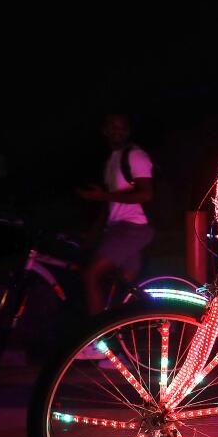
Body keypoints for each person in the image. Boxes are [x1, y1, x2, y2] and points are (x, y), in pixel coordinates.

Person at [78, 114, 154, 315]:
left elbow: (145, 194)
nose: (116, 131)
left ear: (128, 131)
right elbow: (110, 201)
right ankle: (145, 319)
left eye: (121, 128)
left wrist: (102, 195)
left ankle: (96, 337)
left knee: (91, 275)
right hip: (119, 226)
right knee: (121, 287)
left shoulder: (135, 156)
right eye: (112, 127)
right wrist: (94, 230)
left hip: (134, 227)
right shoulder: (112, 160)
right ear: (105, 131)